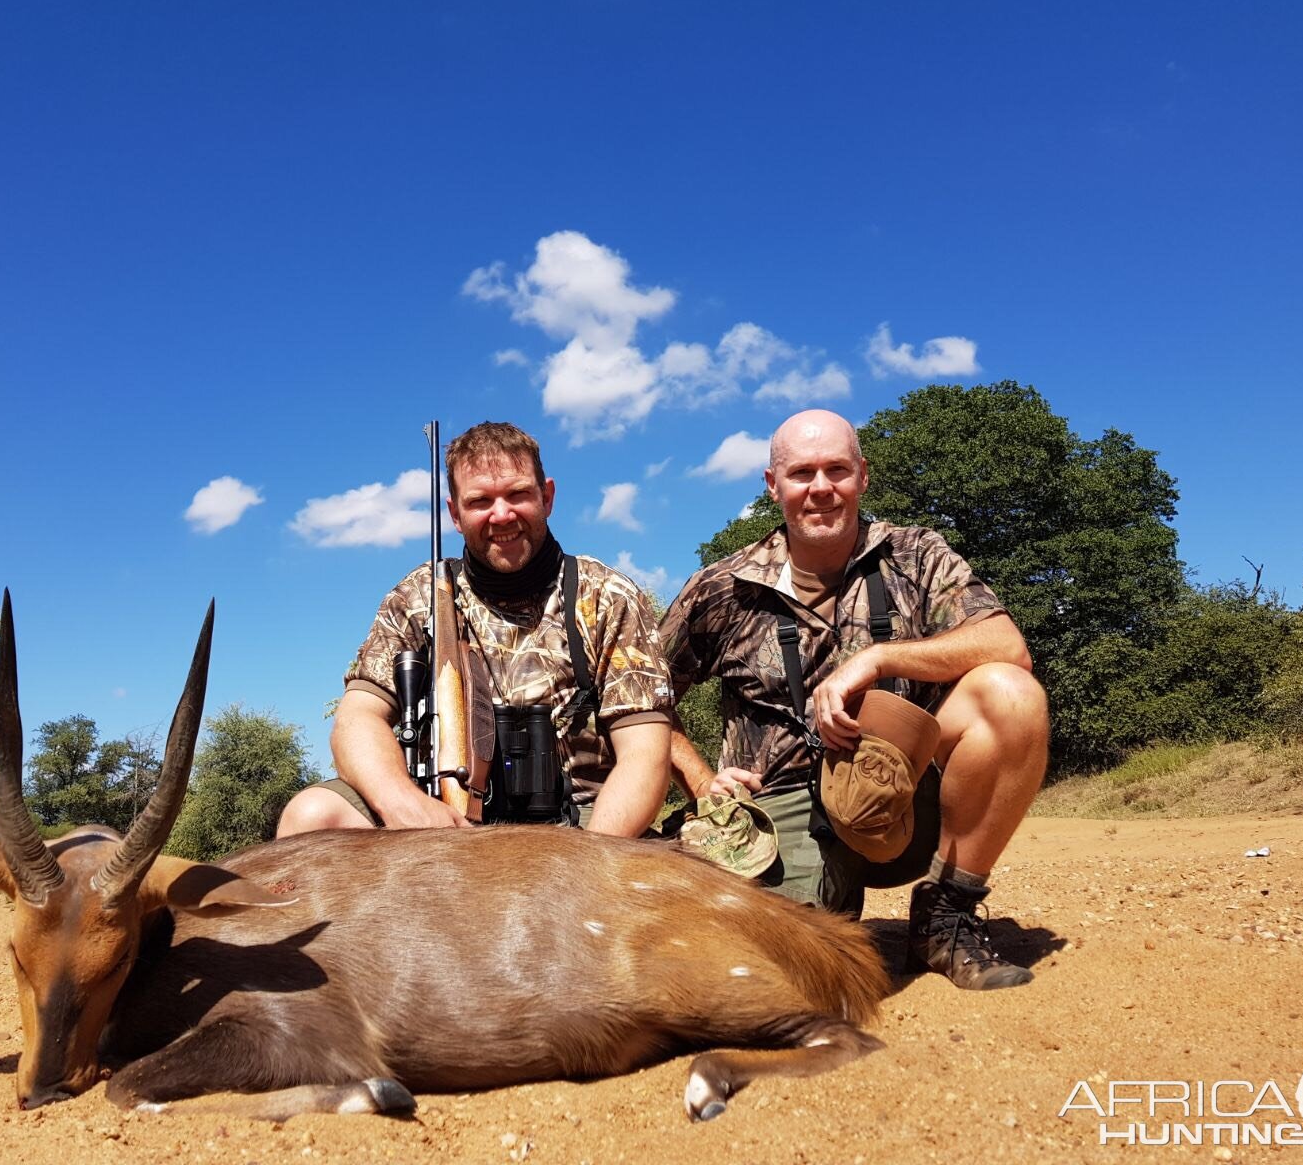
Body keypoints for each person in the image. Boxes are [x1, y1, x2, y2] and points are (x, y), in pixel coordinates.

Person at [659, 409, 1049, 990]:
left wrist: (880, 658)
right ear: (773, 485)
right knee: (783, 964)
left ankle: (946, 917)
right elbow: (640, 700)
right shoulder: (722, 586)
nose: (821, 488)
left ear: (862, 476)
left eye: (837, 470)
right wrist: (698, 778)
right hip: (779, 801)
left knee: (1012, 694)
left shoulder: (916, 554)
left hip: (901, 789)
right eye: (802, 473)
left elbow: (1006, 644)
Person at [277, 421, 674, 838]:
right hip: (440, 821)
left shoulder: (608, 595)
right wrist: (402, 802)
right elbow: (357, 719)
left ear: (548, 496)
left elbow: (645, 754)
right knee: (313, 815)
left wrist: (584, 867)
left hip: (584, 826)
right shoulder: (419, 596)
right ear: (454, 513)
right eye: (480, 500)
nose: (501, 515)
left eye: (518, 494)